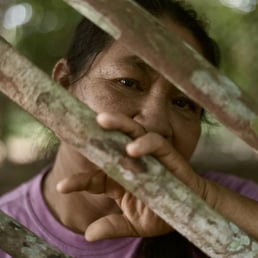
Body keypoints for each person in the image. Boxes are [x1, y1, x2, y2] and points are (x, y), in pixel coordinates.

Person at [1, 0, 258, 257]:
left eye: (183, 102)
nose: (156, 123)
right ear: (63, 86)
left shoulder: (234, 201)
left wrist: (204, 200)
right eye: (128, 83)